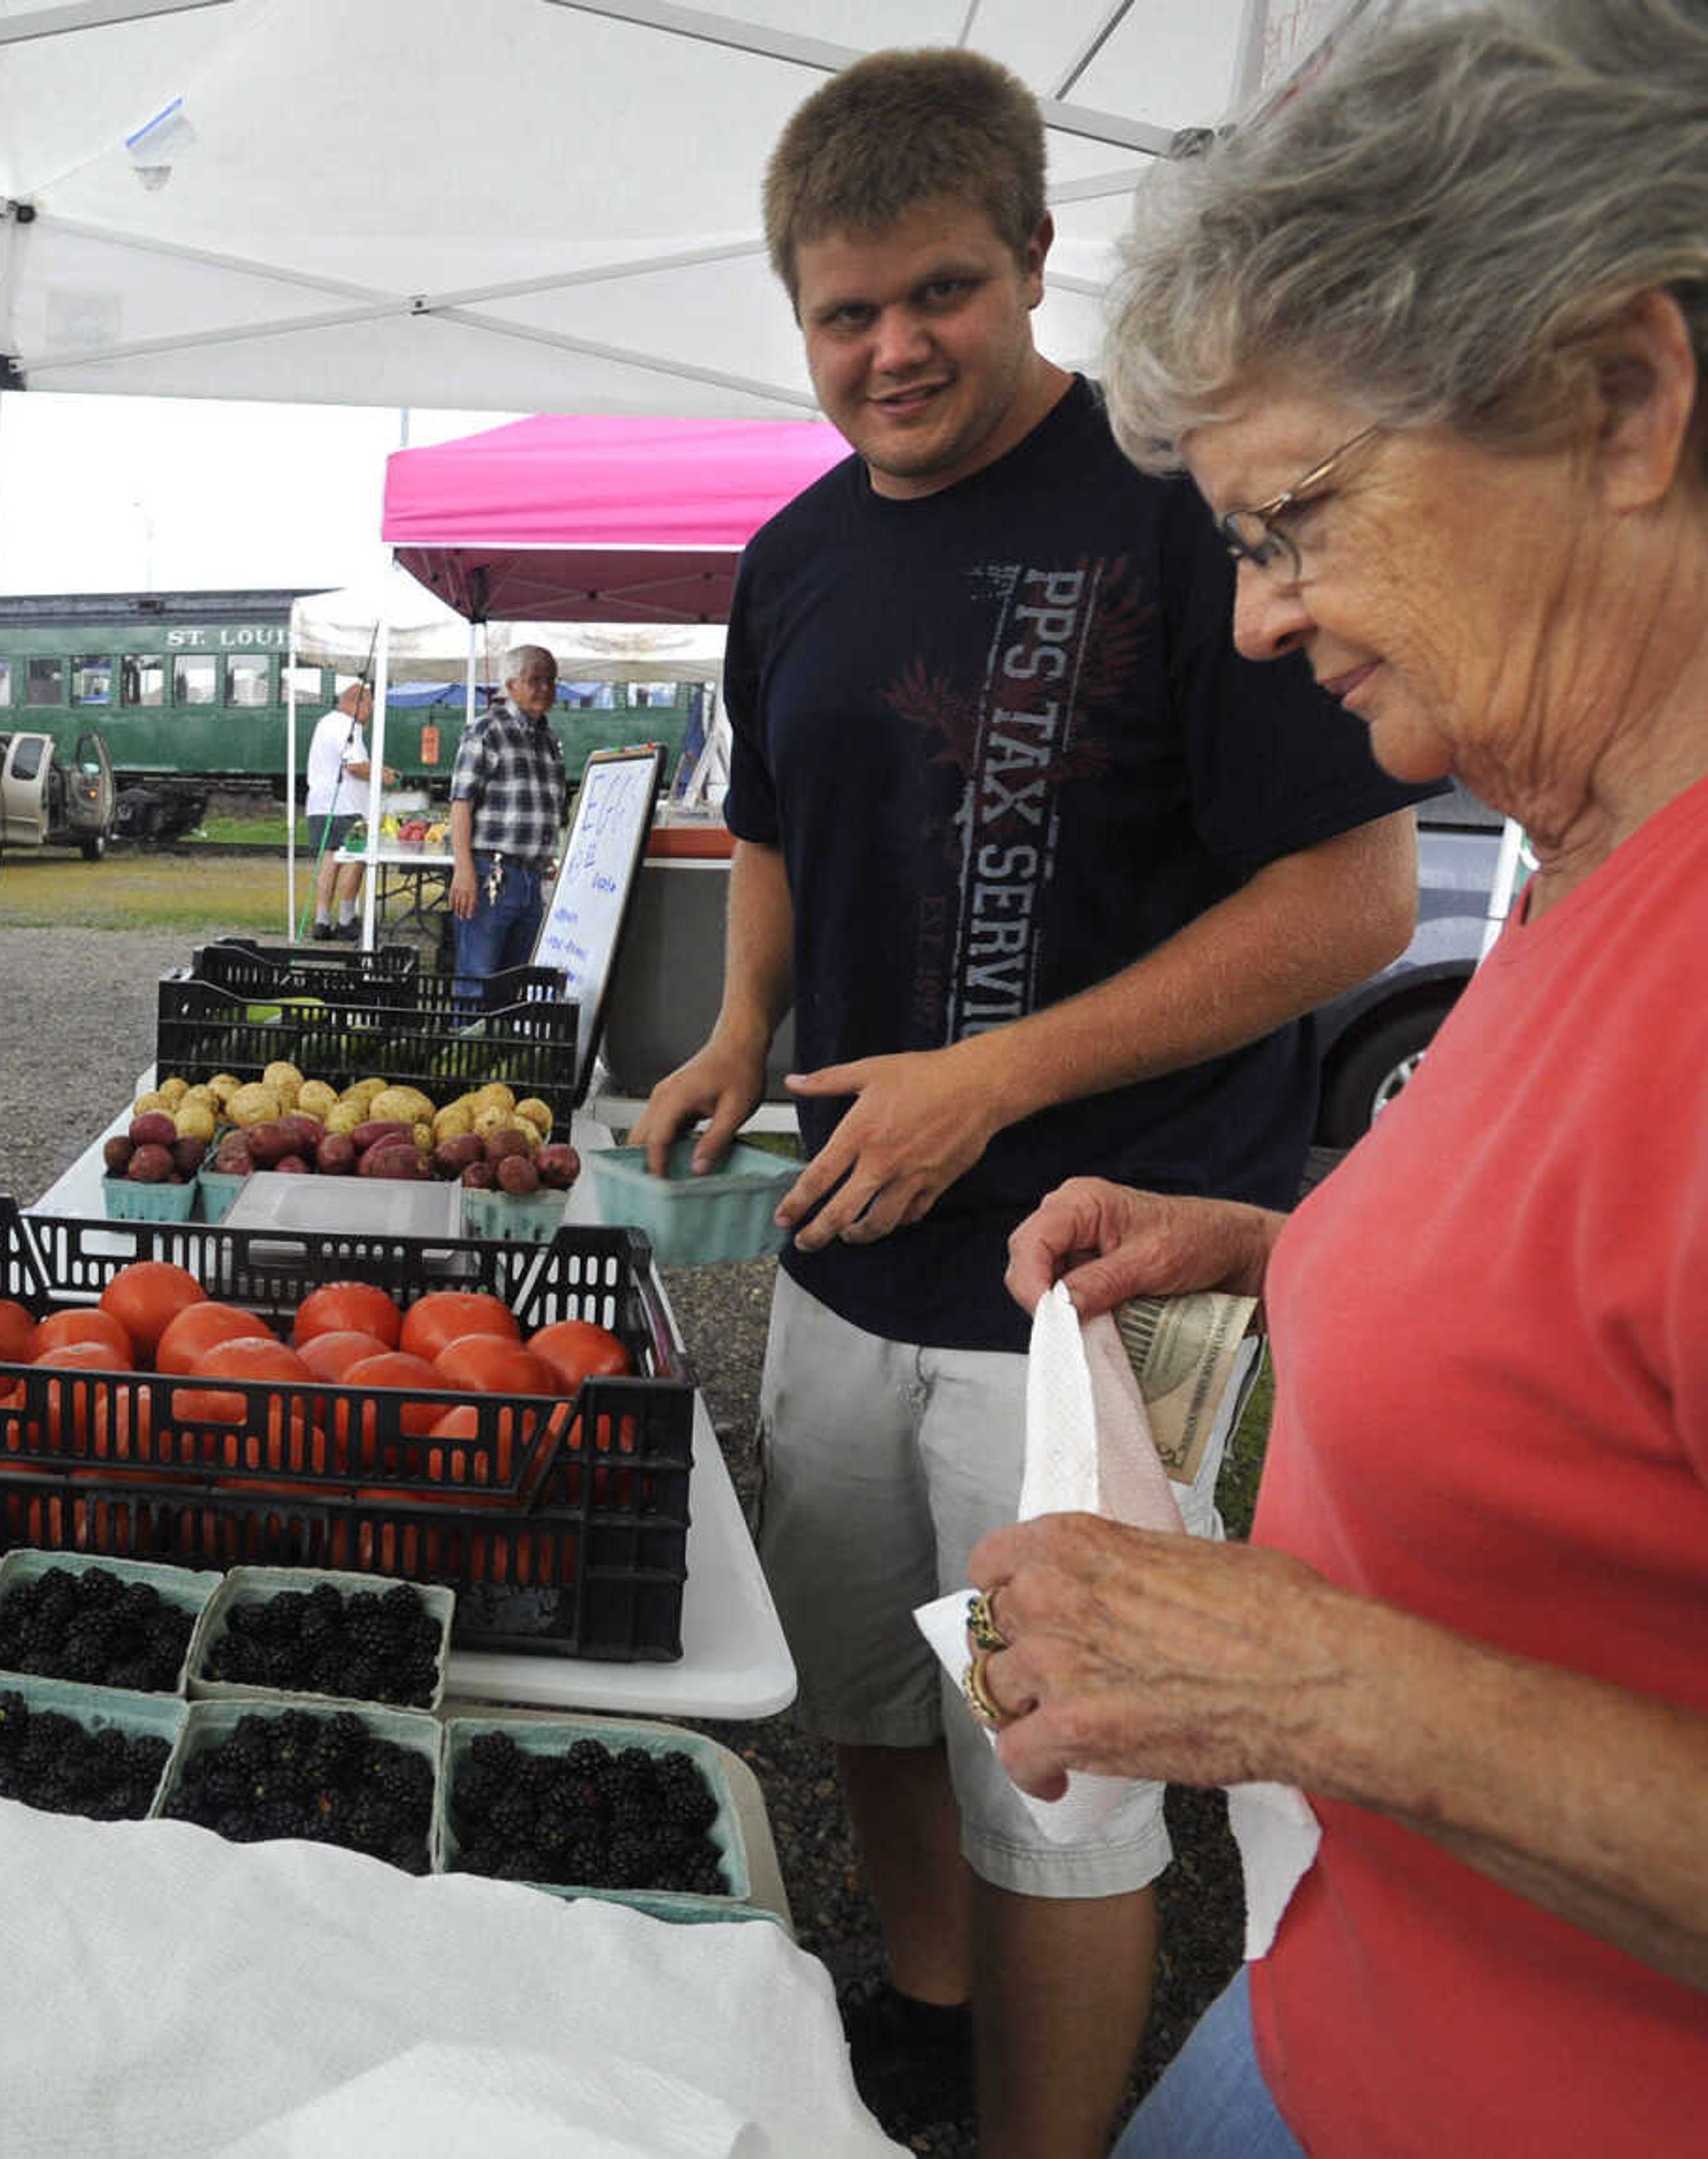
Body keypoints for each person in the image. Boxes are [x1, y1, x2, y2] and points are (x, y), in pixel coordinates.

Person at [624, 47, 1429, 2157]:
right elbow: (782, 822)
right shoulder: (791, 557)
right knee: (877, 1682)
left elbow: (1352, 894)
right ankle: (926, 2007)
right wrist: (737, 1030)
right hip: (847, 1254)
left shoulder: (1175, 513)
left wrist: (1002, 1076)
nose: (893, 349)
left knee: (1053, 1765)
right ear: (796, 313)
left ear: (1036, 263)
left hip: (1106, 1286)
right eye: (844, 312)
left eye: (941, 294)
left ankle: (1039, 2138)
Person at [958, 5, 1708, 2152]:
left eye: (1296, 521)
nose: (1264, 621)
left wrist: (1300, 1685)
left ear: (1623, 401)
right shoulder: (1588, 846)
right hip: (1334, 2016)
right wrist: (1297, 1256)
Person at [444, 646, 566, 987]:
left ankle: (503, 1040)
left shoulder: (549, 739)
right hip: (491, 876)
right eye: (535, 680)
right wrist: (464, 869)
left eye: (551, 681)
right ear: (511, 685)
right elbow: (461, 804)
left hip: (532, 879)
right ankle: (467, 1040)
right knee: (478, 978)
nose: (545, 689)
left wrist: (547, 860)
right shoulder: (487, 730)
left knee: (517, 980)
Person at [302, 680, 388, 937]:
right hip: (345, 805)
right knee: (356, 858)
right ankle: (347, 919)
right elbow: (354, 766)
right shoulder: (347, 726)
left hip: (320, 803)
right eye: (369, 706)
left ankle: (321, 920)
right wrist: (382, 773)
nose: (370, 712)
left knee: (330, 859)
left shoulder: (325, 722)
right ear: (356, 703)